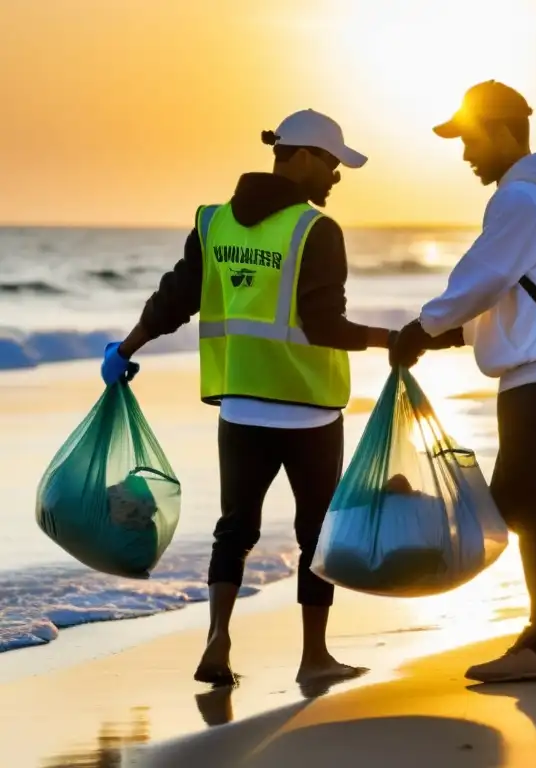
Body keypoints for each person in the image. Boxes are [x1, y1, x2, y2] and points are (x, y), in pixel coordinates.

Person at [100, 109, 399, 687]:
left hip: (240, 409)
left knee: (234, 529)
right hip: (308, 409)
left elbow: (174, 299)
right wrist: (396, 340)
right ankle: (315, 657)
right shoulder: (315, 230)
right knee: (316, 532)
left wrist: (126, 348)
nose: (336, 177)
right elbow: (323, 325)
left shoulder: (214, 224)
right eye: (333, 164)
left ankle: (218, 638)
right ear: (304, 158)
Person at [390, 80, 536, 684]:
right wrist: (449, 335)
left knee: (519, 506)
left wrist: (421, 327)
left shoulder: (519, 201)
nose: (466, 155)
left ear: (506, 131)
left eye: (471, 139)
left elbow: (480, 279)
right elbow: (514, 295)